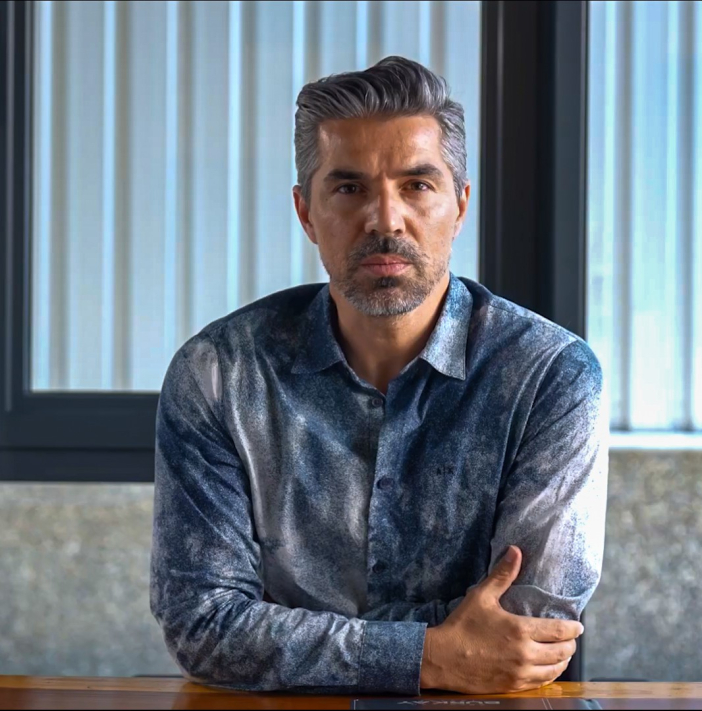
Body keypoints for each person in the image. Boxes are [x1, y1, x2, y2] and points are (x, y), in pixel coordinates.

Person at [150, 55, 607, 696]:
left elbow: (530, 629)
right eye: (349, 189)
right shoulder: (220, 374)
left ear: (460, 205)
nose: (385, 219)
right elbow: (203, 624)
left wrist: (287, 636)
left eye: (417, 185)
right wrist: (431, 655)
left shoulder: (550, 375)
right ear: (306, 212)